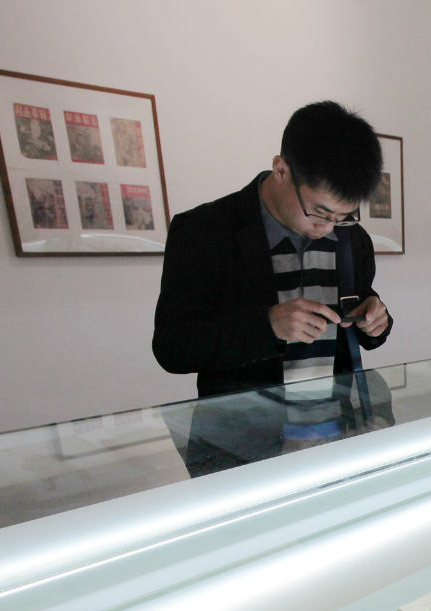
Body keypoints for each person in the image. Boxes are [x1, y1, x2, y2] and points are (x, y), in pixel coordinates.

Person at [152, 100, 392, 398]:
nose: (329, 228)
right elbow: (172, 347)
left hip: (338, 420)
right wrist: (268, 327)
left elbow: (357, 307)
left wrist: (376, 321)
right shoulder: (203, 231)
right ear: (281, 170)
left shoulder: (351, 236)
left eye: (343, 216)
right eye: (319, 212)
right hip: (244, 424)